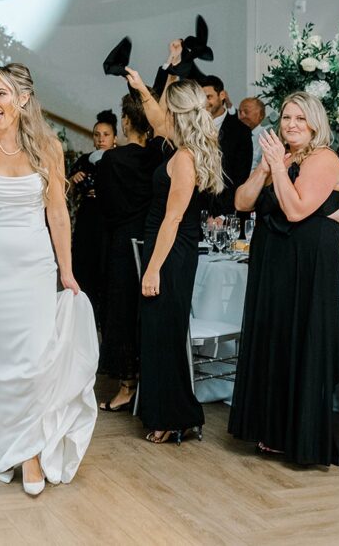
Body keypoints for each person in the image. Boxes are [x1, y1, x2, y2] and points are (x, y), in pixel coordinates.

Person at [0, 62, 98, 496]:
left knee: (34, 359)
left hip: (35, 264)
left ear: (22, 99)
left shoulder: (48, 147)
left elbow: (57, 213)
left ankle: (33, 452)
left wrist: (67, 270)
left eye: (0, 94)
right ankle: (13, 447)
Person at [229, 91, 339, 466]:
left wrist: (278, 167)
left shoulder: (323, 159)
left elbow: (295, 210)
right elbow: (242, 203)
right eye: (286, 118)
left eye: (299, 118)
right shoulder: (282, 158)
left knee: (301, 340)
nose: (291, 124)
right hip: (274, 262)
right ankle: (273, 428)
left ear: (315, 123)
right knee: (276, 340)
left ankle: (299, 435)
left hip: (306, 265)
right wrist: (265, 168)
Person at [125, 67, 223, 445]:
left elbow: (174, 217)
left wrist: (152, 269)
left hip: (171, 250)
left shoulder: (184, 157)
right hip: (165, 245)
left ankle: (175, 416)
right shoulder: (179, 141)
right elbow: (155, 117)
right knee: (157, 332)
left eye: (166, 104)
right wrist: (140, 88)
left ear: (178, 112)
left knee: (164, 333)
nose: (160, 111)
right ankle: (171, 412)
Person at [95, 93, 163, 411]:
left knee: (121, 311)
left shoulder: (112, 160)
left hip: (122, 240)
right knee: (143, 310)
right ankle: (148, 379)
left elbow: (106, 207)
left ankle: (126, 386)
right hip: (151, 239)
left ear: (125, 121)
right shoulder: (158, 156)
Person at [69, 109, 117, 327]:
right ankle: (83, 320)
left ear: (115, 137)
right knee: (84, 266)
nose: (101, 139)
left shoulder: (118, 160)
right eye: (97, 134)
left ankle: (103, 320)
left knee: (105, 269)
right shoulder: (83, 160)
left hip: (108, 221)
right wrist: (72, 179)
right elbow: (68, 191)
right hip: (87, 220)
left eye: (105, 134)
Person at [199, 75, 252, 216]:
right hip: (197, 210)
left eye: (209, 97)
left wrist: (225, 215)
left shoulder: (241, 131)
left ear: (222, 95)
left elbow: (241, 176)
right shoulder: (195, 128)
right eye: (201, 99)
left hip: (225, 211)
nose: (205, 103)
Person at [238, 96, 268, 172]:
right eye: (240, 112)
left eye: (246, 112)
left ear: (261, 115)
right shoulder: (235, 135)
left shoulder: (266, 137)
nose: (241, 116)